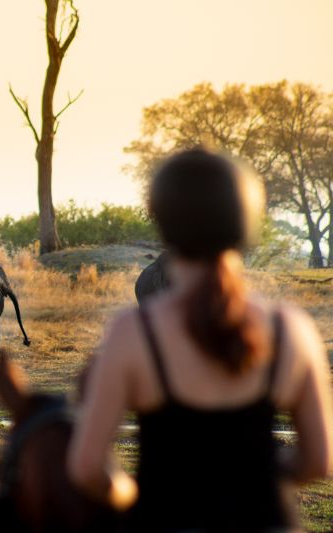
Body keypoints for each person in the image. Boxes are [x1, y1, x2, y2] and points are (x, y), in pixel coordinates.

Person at [67, 147, 333, 531]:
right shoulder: (290, 328)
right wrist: (253, 477)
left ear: (164, 223)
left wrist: (134, 493)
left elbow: (87, 468)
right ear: (246, 222)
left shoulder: (134, 333)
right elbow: (318, 461)